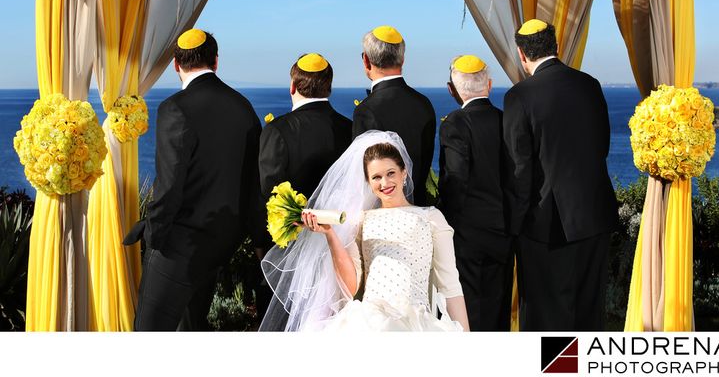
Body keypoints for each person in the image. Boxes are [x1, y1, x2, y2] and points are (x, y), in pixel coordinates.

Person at [260, 131, 470, 331]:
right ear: (368, 182)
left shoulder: (431, 217)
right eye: (376, 177)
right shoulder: (361, 221)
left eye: (390, 173)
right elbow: (351, 287)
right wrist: (330, 234)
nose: (385, 183)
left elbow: (450, 285)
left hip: (415, 322)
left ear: (403, 172)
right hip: (367, 321)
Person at [124, 28, 262, 331]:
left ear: (176, 64)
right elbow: (254, 185)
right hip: (220, 245)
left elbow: (169, 185)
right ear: (215, 60)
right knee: (193, 328)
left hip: (179, 247)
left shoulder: (175, 108)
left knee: (149, 331)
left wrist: (154, 236)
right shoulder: (244, 108)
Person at [503, 19, 618, 331]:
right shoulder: (590, 84)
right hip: (594, 215)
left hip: (545, 225)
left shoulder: (519, 96)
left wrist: (514, 225)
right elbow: (602, 145)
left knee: (545, 317)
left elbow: (521, 169)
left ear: (521, 54)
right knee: (589, 313)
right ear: (556, 47)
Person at [257, 52, 352, 327]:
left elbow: (269, 193)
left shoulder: (277, 131)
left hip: (290, 251)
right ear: (329, 88)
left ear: (293, 87)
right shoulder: (349, 129)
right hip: (339, 242)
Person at [438, 55, 514, 331]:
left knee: (469, 312)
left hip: (468, 235)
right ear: (490, 85)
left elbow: (455, 181)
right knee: (499, 307)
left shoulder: (455, 124)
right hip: (505, 231)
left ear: (452, 89)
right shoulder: (506, 119)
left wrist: (447, 222)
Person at [353, 25, 436, 206]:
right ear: (402, 59)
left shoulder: (366, 111)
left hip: (383, 216)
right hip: (420, 209)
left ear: (366, 60)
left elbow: (363, 177)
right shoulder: (424, 104)